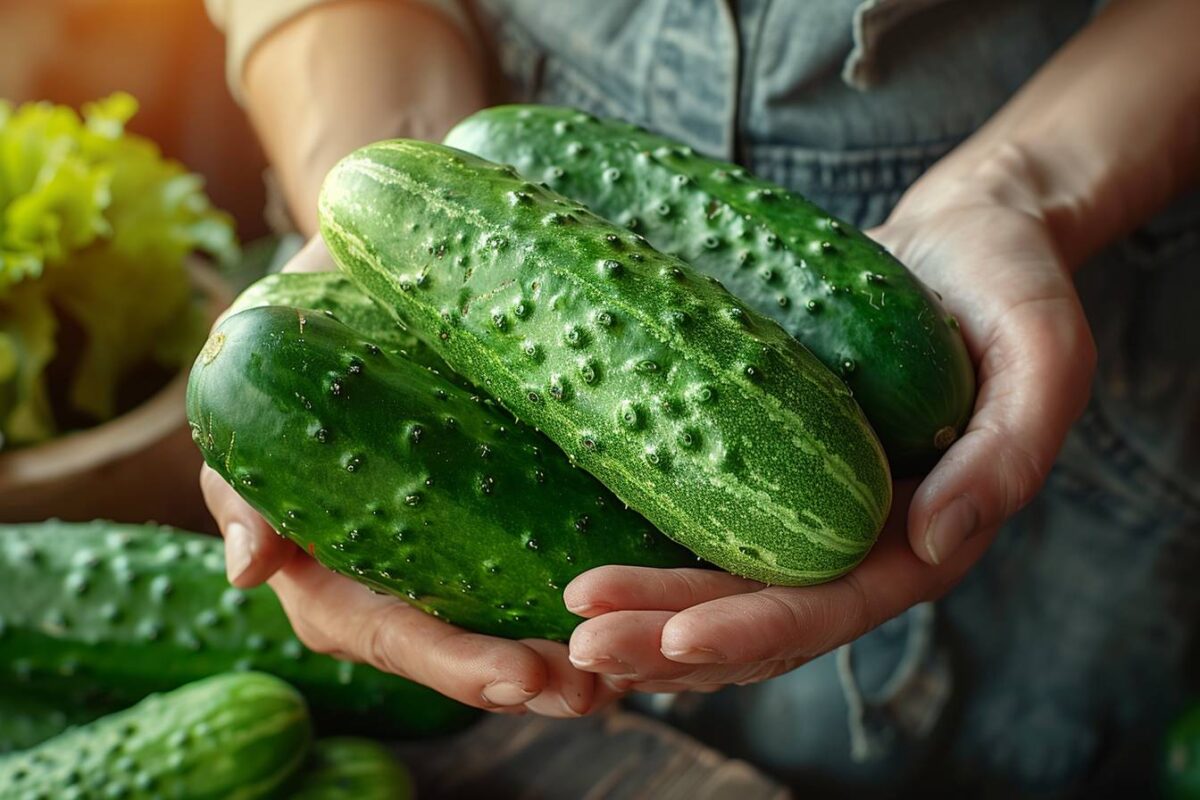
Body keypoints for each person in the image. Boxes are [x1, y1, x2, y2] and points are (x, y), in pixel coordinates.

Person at [203, 0, 1200, 792]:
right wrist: (397, 174)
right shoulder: (476, 195)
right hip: (512, 149)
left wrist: (1024, 182)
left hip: (1093, 349)